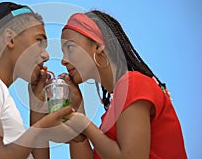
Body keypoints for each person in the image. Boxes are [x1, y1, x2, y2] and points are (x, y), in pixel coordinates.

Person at [0, 2, 77, 159]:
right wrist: (43, 126)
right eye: (39, 41)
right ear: (10, 38)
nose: (46, 55)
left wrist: (37, 107)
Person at [60, 11, 188, 159]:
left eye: (70, 48)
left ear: (98, 46)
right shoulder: (114, 110)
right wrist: (77, 110)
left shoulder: (134, 83)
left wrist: (86, 126)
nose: (63, 60)